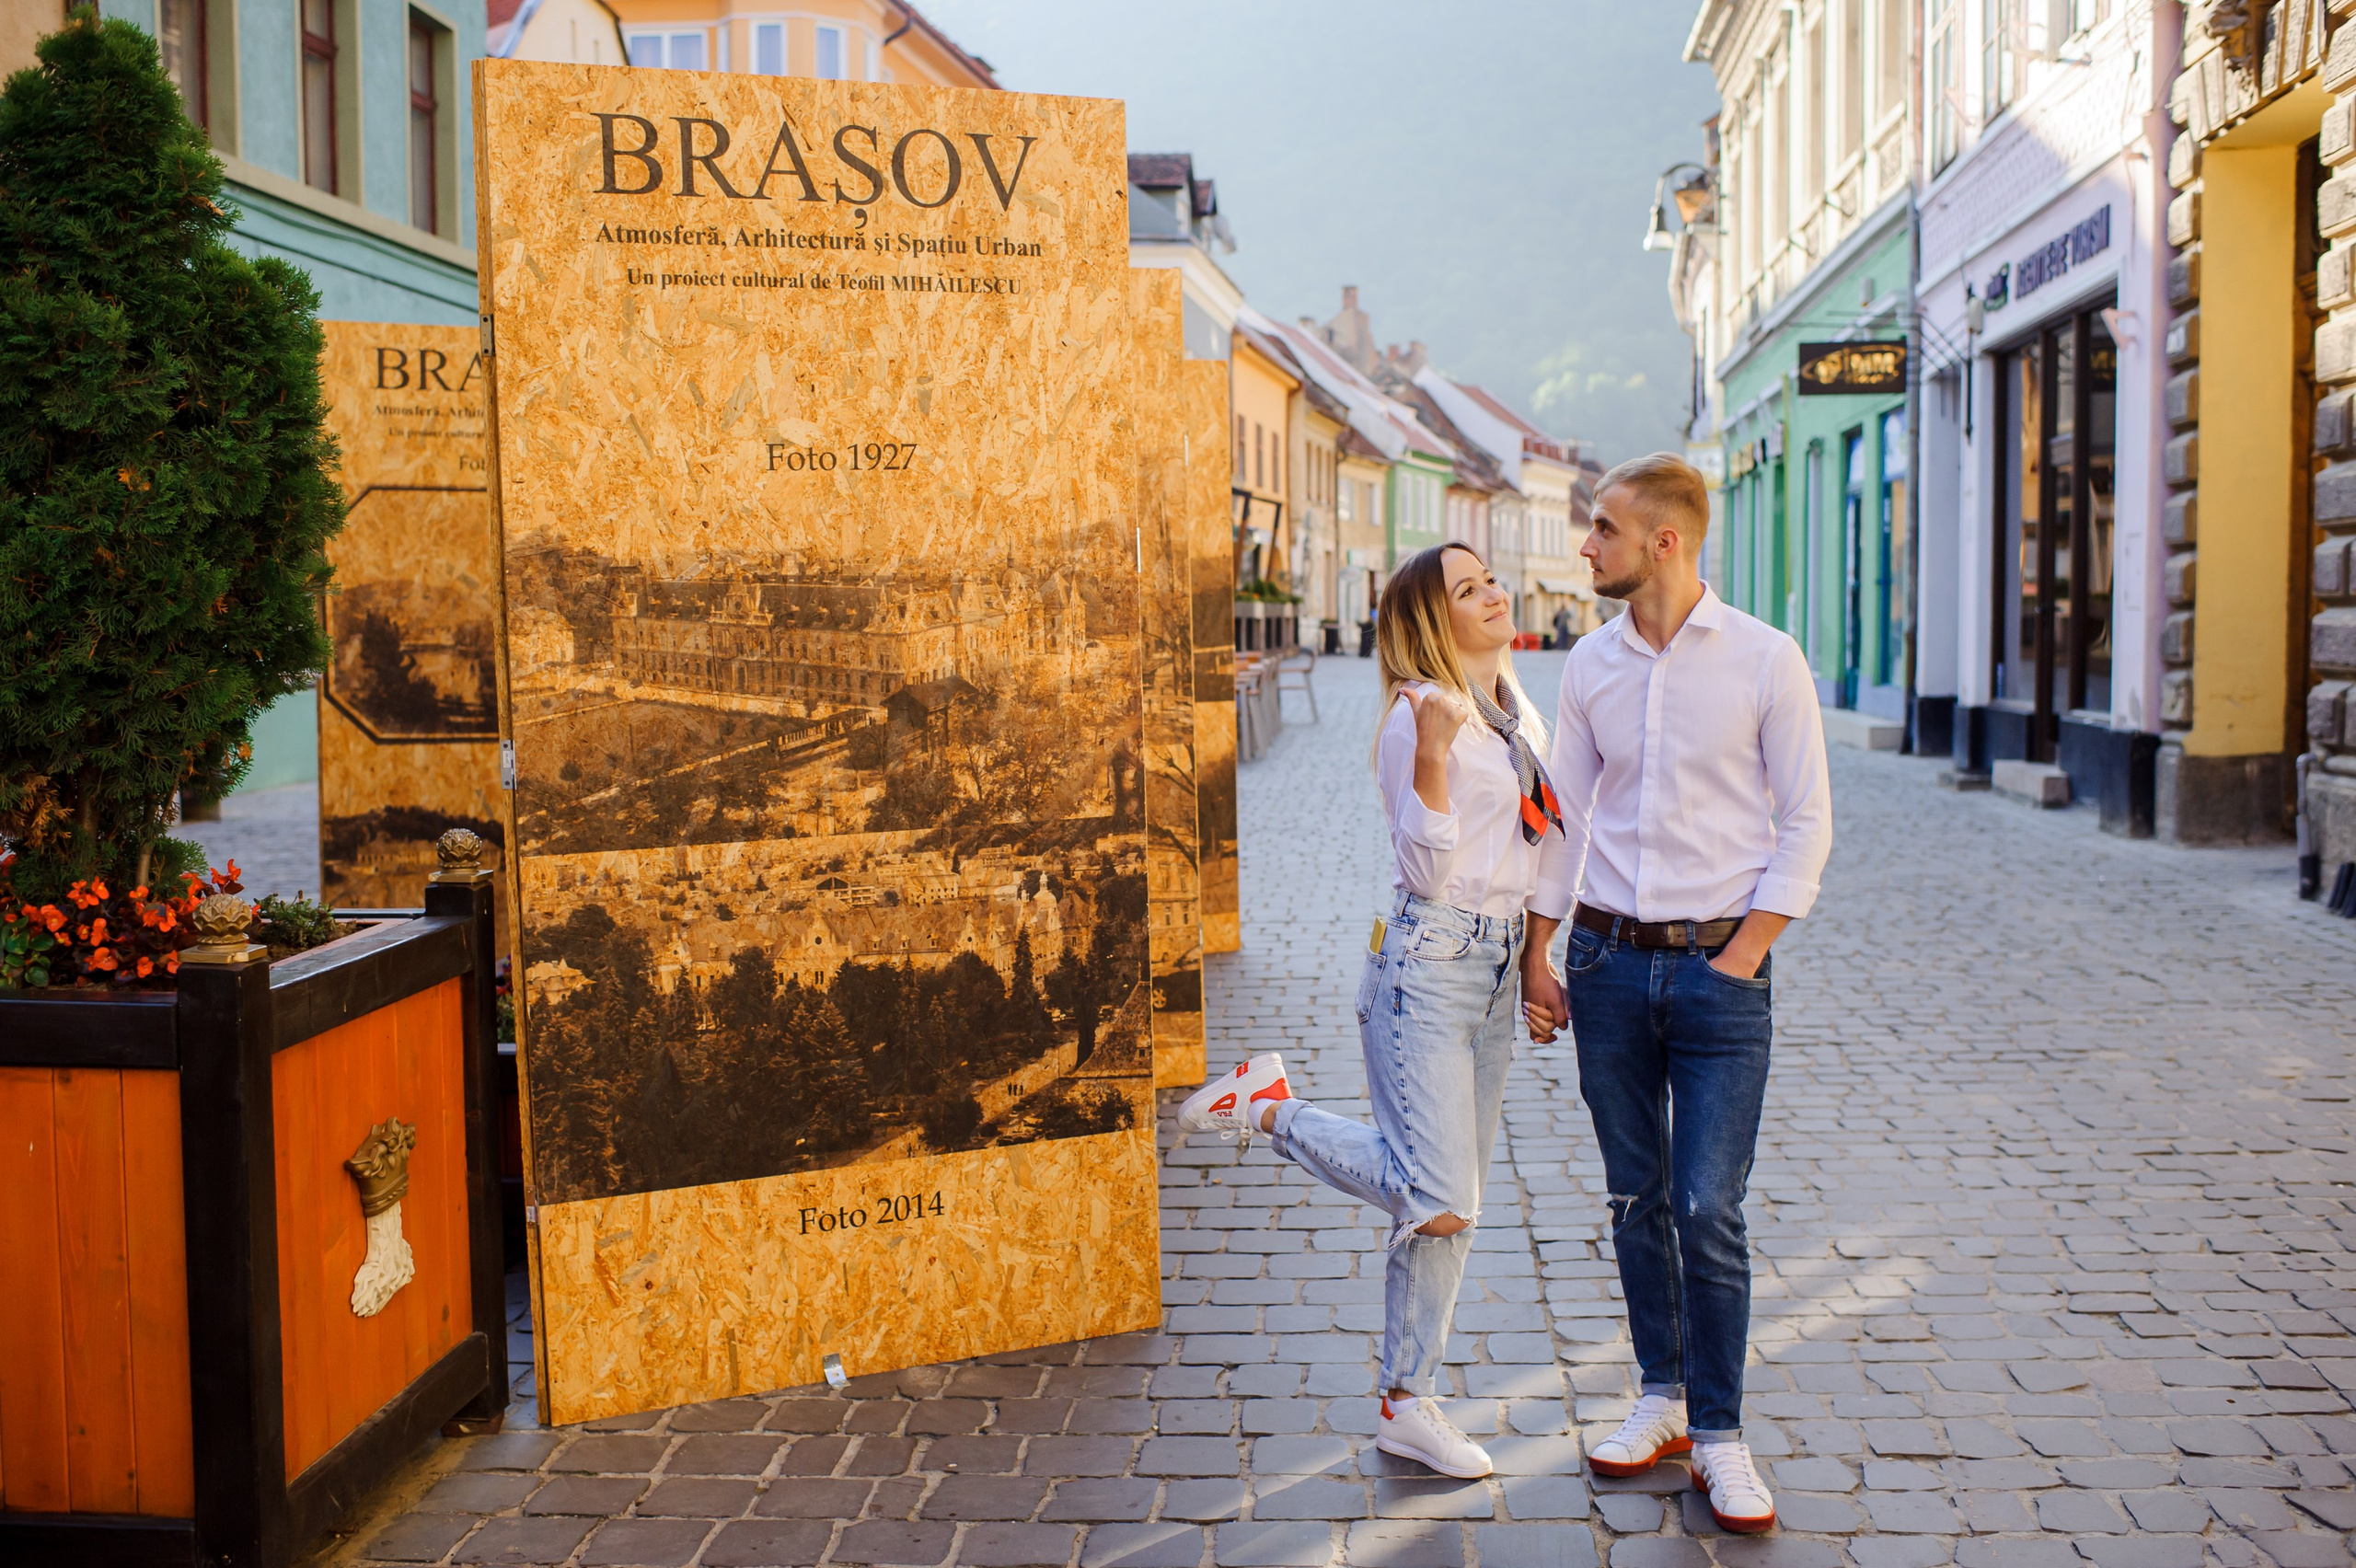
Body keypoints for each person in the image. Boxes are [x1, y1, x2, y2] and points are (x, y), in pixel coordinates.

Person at [1173, 542, 1563, 1482]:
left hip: (1500, 966)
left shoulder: (1514, 713)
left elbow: (1550, 842)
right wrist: (1431, 758)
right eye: (1468, 589)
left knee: (1447, 1212)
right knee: (1438, 1196)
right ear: (1433, 621)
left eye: (1488, 579)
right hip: (1426, 963)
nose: (1493, 592)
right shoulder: (1412, 722)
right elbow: (1427, 871)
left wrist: (1543, 960)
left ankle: (1405, 1403)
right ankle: (1270, 1110)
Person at [1520, 454, 1831, 1536]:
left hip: (1717, 975)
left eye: (1601, 528)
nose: (1585, 545)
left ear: (1664, 541)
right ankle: (1658, 1396)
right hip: (1605, 967)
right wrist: (1537, 953)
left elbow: (1805, 823)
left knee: (1709, 1207)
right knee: (1635, 1200)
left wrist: (1741, 956)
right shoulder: (1589, 668)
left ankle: (1722, 1433)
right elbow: (1562, 818)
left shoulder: (1762, 659)